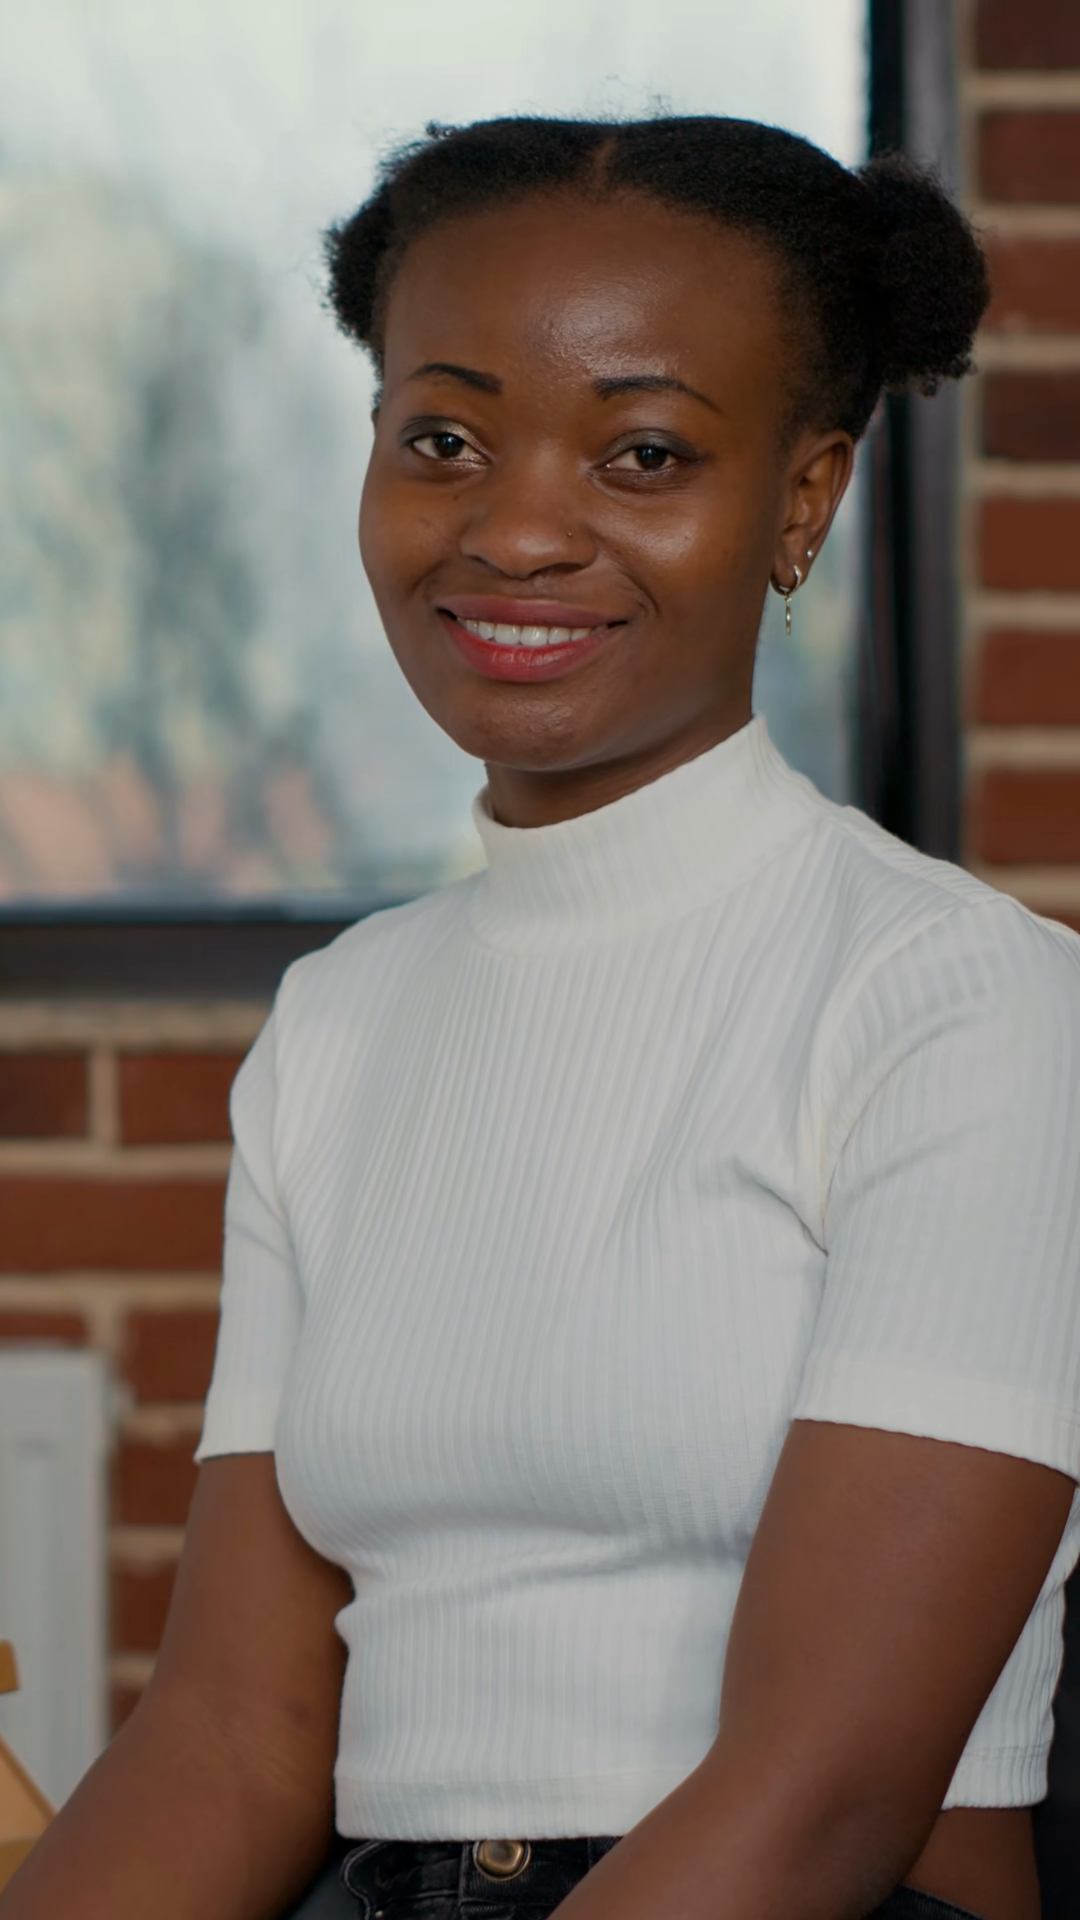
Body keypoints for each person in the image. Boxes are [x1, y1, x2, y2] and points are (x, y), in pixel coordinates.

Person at [4, 114, 1079, 1920]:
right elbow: (232, 1741)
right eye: (444, 440)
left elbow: (821, 1796)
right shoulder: (340, 1028)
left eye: (643, 453)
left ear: (802, 503)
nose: (513, 530)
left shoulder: (962, 1005)